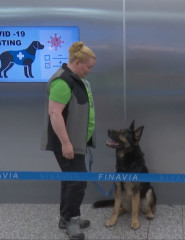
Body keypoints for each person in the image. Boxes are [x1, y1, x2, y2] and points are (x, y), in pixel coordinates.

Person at [41, 41, 96, 240]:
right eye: (88, 67)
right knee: (77, 182)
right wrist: (66, 143)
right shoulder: (62, 81)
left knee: (71, 178)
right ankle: (71, 221)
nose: (90, 71)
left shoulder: (78, 79)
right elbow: (55, 114)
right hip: (67, 143)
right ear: (76, 62)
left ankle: (67, 216)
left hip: (77, 141)